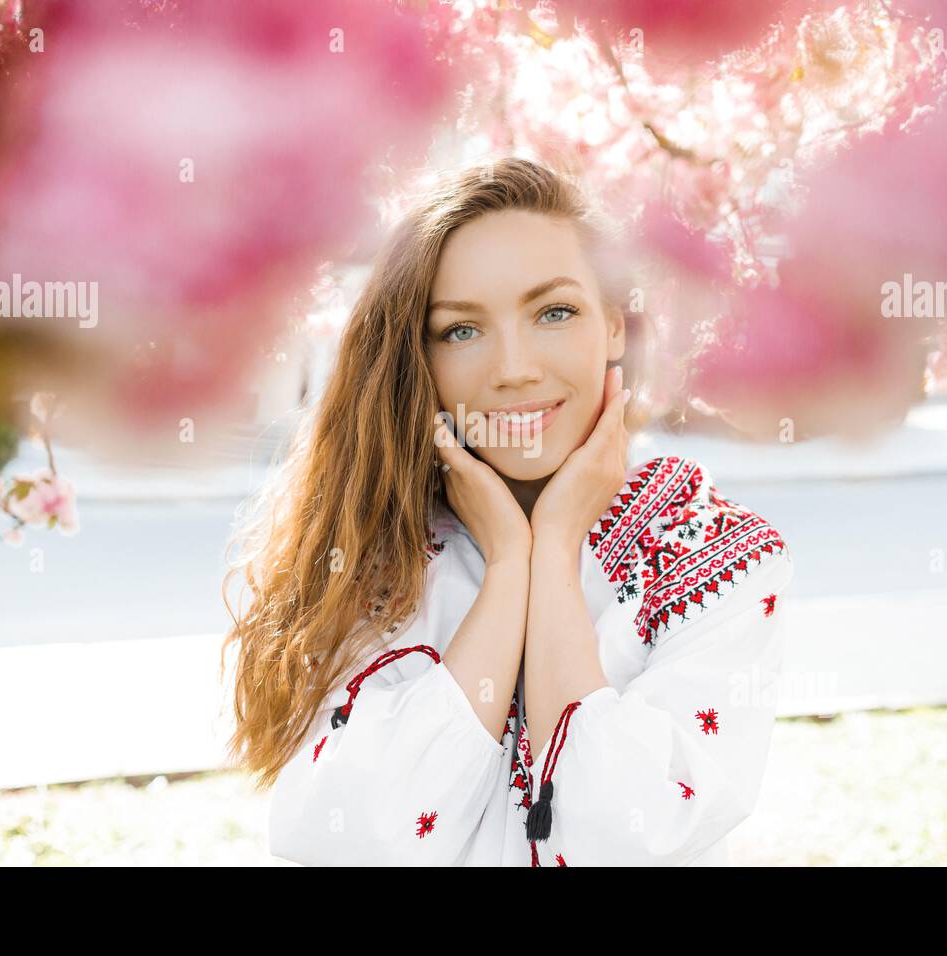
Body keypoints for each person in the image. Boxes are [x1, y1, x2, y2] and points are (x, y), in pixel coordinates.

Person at [220, 157, 795, 866]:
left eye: (555, 312)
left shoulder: (717, 557)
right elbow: (348, 840)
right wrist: (508, 566)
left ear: (614, 327)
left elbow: (619, 834)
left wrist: (553, 551)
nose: (514, 367)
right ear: (416, 358)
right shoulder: (371, 550)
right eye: (461, 330)